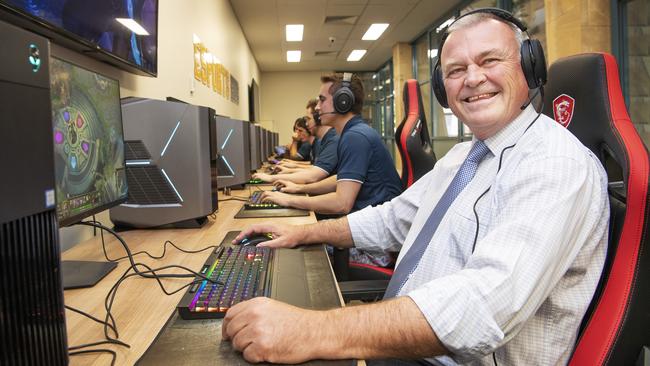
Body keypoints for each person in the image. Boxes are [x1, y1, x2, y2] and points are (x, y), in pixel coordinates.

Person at [222, 9, 609, 365]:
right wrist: (300, 232)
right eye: (456, 70)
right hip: (413, 345)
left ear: (529, 66)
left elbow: (483, 309)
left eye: (490, 60)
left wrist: (314, 329)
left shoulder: (554, 164)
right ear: (443, 90)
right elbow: (392, 219)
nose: (473, 78)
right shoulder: (463, 156)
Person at [254, 99, 339, 184]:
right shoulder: (325, 140)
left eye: (308, 119)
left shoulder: (333, 140)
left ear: (318, 118)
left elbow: (313, 176)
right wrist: (291, 168)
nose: (306, 124)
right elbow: (314, 168)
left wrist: (272, 178)